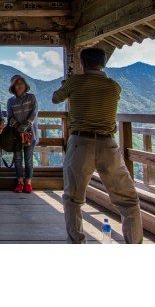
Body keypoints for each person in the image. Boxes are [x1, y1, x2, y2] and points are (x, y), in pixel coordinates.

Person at [52, 47, 142, 244]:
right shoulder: (114, 86)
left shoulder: (75, 82)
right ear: (103, 64)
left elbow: (55, 98)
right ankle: (134, 244)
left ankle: (77, 243)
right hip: (108, 144)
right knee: (128, 200)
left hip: (79, 144)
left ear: (82, 63)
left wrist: (66, 85)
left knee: (73, 199)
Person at [6, 75, 38, 194]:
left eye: (21, 84)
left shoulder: (31, 97)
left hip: (31, 133)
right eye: (16, 84)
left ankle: (28, 182)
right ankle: (20, 182)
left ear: (25, 85)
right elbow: (9, 117)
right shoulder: (10, 101)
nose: (19, 86)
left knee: (28, 160)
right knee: (18, 159)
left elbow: (34, 112)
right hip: (16, 135)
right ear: (13, 87)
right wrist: (18, 127)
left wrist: (26, 125)